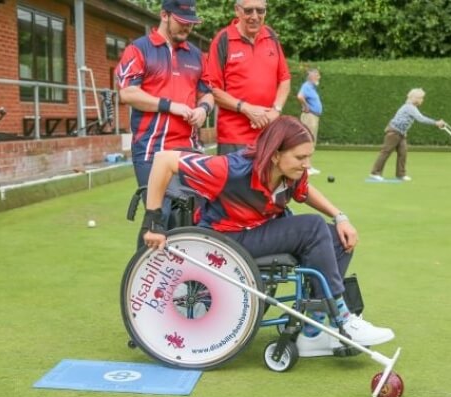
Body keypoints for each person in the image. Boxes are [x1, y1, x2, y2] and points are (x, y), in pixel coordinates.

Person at [141, 116, 395, 356]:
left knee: (339, 239)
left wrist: (340, 217)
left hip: (257, 231)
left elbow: (305, 193)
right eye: (300, 157)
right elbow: (163, 160)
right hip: (226, 242)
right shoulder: (231, 169)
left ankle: (312, 332)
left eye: (309, 157)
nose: (307, 164)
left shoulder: (291, 174)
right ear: (275, 155)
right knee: (313, 227)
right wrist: (153, 222)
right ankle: (343, 317)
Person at [115, 0, 214, 249]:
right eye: (182, 22)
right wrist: (170, 105)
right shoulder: (139, 49)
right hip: (151, 149)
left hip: (188, 148)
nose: (187, 28)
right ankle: (143, 279)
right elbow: (127, 93)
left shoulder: (195, 55)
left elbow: (208, 93)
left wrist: (204, 109)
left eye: (191, 23)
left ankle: (184, 282)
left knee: (196, 214)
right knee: (160, 213)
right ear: (164, 15)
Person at [205, 0, 291, 155]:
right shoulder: (223, 39)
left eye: (260, 11)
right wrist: (245, 108)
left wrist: (276, 111)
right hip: (234, 137)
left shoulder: (270, 36)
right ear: (237, 11)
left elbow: (284, 78)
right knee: (237, 180)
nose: (255, 16)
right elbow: (211, 89)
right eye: (249, 10)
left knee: (266, 180)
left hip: (269, 134)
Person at [370, 88, 445, 181]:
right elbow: (421, 119)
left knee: (403, 153)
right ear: (414, 98)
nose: (422, 100)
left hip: (401, 134)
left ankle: (401, 174)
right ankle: (375, 173)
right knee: (385, 152)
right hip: (393, 133)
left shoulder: (413, 107)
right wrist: (436, 123)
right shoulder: (409, 107)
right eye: (421, 98)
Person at [297, 67, 323, 175]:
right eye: (317, 75)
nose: (319, 77)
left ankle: (308, 166)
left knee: (311, 141)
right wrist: (306, 106)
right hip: (309, 117)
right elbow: (299, 96)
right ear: (311, 76)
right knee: (307, 141)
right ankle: (305, 167)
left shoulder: (311, 88)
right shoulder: (306, 86)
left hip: (314, 117)